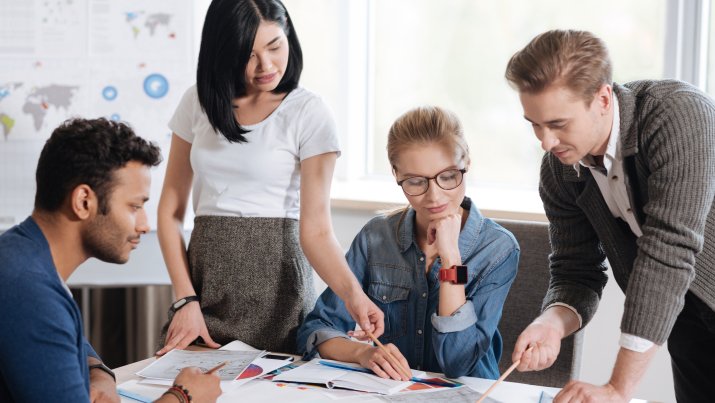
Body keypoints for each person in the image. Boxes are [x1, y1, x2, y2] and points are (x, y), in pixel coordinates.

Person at [156, 0, 383, 356]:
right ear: (223, 50)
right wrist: (185, 298)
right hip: (204, 286)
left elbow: (318, 231)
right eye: (248, 54)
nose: (266, 65)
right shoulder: (197, 102)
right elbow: (169, 212)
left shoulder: (309, 112)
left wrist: (354, 297)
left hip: (278, 291)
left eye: (275, 46)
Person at [504, 29, 715, 402]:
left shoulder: (678, 115)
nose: (545, 142)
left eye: (557, 124)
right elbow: (576, 270)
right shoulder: (559, 170)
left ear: (602, 98)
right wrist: (551, 323)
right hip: (686, 318)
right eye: (534, 124)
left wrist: (618, 388)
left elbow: (669, 251)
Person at [0, 118, 222, 402]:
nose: (143, 225)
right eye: (134, 207)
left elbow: (62, 338)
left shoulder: (19, 254)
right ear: (83, 201)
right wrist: (184, 395)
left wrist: (99, 372)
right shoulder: (29, 290)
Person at [296, 106, 520, 380]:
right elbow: (317, 329)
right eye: (415, 182)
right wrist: (363, 353)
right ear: (396, 174)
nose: (435, 196)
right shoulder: (376, 237)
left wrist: (451, 259)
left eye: (448, 176)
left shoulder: (498, 249)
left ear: (467, 163)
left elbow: (458, 363)